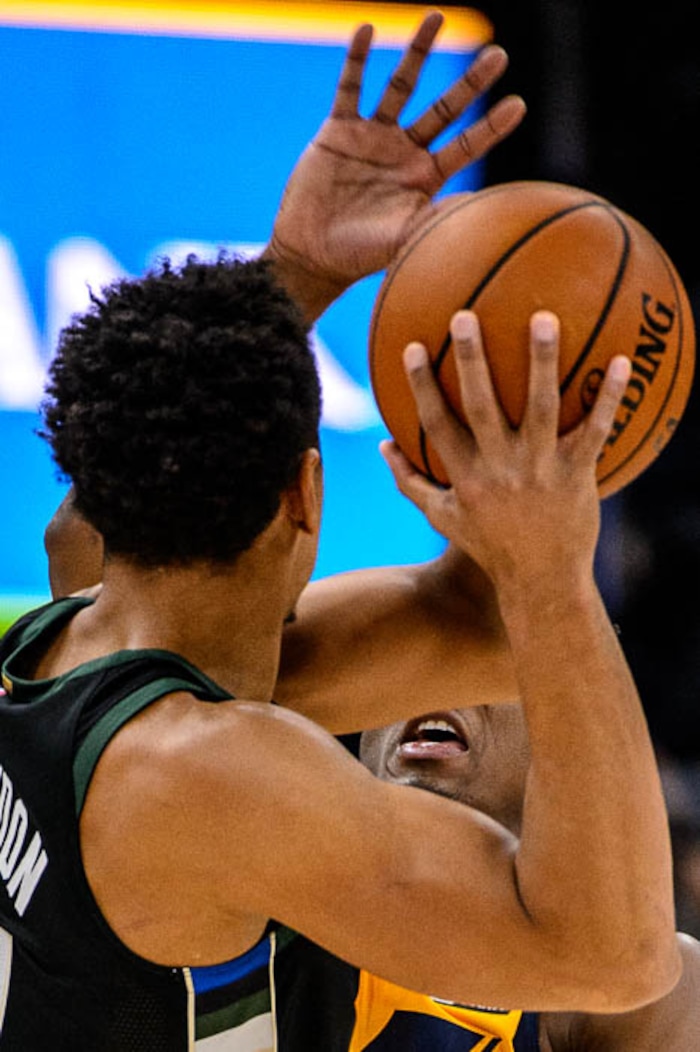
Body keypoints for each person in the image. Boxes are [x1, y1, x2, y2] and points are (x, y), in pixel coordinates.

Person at [6, 11, 678, 1051]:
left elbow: (475, 625)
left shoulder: (62, 646)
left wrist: (296, 270)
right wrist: (547, 569)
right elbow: (611, 957)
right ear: (306, 495)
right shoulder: (203, 777)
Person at [357, 705, 700, 1050]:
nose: (430, 690)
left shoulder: (631, 992)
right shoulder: (322, 913)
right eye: (395, 676)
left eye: (479, 676)